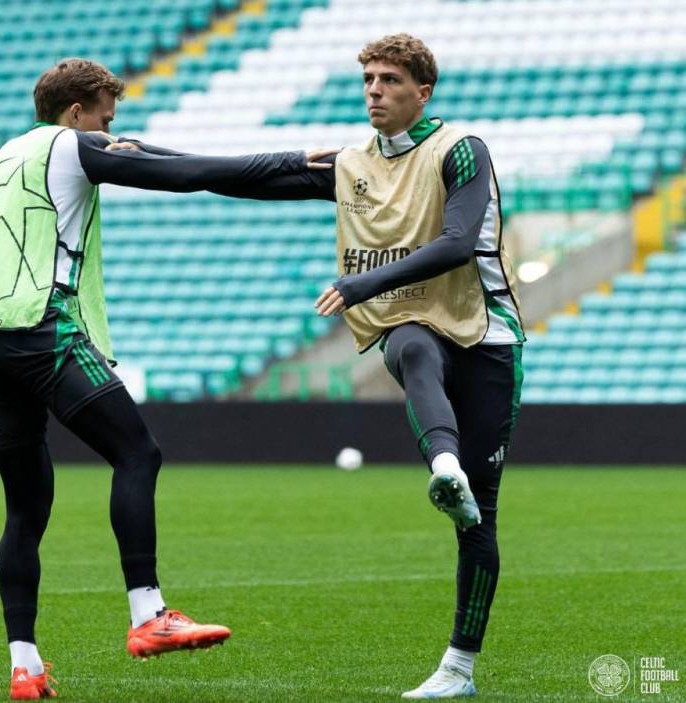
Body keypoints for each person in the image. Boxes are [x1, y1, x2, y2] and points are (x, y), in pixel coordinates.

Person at [0, 57, 334, 700]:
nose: (110, 130)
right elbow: (187, 173)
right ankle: (148, 614)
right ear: (77, 113)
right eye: (106, 117)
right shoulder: (74, 146)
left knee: (24, 512)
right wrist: (297, 163)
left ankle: (25, 665)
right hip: (42, 326)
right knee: (136, 451)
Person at [210, 33, 524, 699]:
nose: (374, 91)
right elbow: (250, 173)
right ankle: (445, 467)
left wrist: (359, 286)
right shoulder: (356, 164)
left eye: (388, 80)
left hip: (489, 334)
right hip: (419, 323)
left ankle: (459, 667)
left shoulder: (461, 149)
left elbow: (459, 242)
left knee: (481, 520)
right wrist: (138, 158)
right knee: (407, 341)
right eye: (368, 80)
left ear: (422, 91)